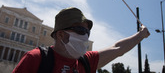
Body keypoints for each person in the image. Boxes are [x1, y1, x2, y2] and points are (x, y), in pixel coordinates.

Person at [12, 7, 150, 73]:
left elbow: (117, 48)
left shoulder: (86, 62)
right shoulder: (36, 58)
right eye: (80, 30)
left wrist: (141, 35)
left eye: (87, 31)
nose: (85, 36)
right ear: (60, 34)